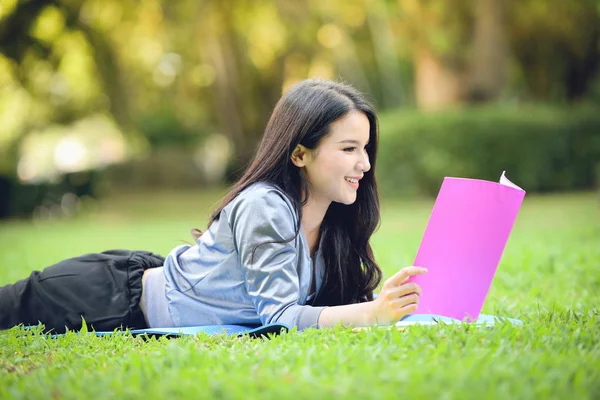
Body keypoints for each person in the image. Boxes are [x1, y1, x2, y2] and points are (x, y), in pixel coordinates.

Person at [0, 79, 427, 334]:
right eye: (349, 148)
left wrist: (396, 301)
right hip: (106, 299)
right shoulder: (266, 206)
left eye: (366, 148)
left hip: (141, 284)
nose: (365, 163)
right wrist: (373, 313)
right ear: (299, 154)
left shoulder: (333, 221)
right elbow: (278, 318)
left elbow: (325, 306)